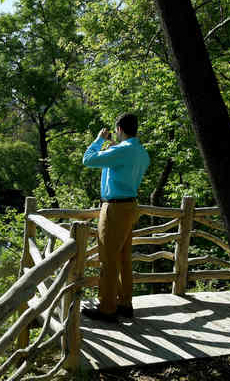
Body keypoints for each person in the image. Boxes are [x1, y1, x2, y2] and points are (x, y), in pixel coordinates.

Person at [82, 113, 150, 322]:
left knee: (108, 259)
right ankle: (124, 303)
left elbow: (88, 160)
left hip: (114, 208)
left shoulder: (121, 151)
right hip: (131, 206)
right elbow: (121, 165)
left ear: (119, 129)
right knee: (124, 258)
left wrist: (99, 140)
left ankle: (107, 308)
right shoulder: (141, 152)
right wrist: (113, 148)